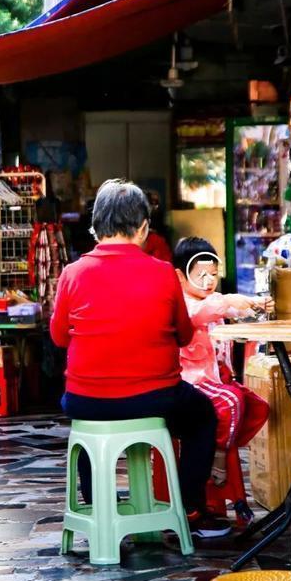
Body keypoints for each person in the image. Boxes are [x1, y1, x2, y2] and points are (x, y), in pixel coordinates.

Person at [50, 179, 230, 539]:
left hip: (87, 400)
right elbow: (184, 334)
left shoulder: (72, 274)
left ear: (95, 226)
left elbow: (57, 338)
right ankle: (189, 506)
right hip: (155, 398)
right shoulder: (163, 273)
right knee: (202, 417)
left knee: (90, 430)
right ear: (144, 227)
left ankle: (95, 506)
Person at [172, 237, 271, 522]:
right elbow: (210, 310)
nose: (208, 281)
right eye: (200, 274)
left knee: (256, 405)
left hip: (215, 381)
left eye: (213, 274)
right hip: (192, 384)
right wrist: (230, 301)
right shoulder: (186, 305)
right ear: (181, 275)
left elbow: (233, 309)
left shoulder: (212, 301)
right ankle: (216, 458)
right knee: (232, 400)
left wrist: (256, 304)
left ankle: (220, 451)